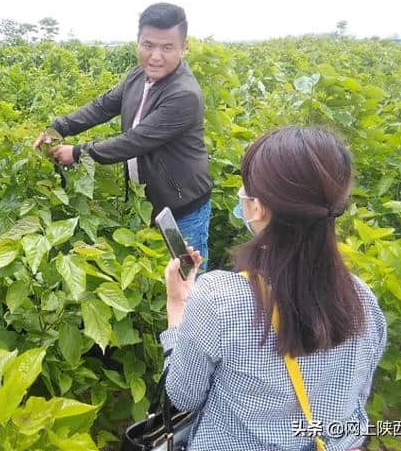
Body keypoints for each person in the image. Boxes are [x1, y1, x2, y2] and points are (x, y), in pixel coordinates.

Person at [160, 126, 387, 450]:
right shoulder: (362, 300)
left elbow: (183, 396)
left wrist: (179, 308)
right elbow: (355, 396)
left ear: (257, 207)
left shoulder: (218, 299)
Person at [33, 3, 212, 271]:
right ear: (138, 41)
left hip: (182, 210)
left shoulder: (183, 94)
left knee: (188, 281)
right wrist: (57, 128)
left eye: (167, 47)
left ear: (184, 47)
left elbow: (135, 141)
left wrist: (78, 152)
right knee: (156, 278)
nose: (155, 56)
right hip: (149, 203)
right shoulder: (139, 75)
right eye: (148, 45)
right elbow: (103, 106)